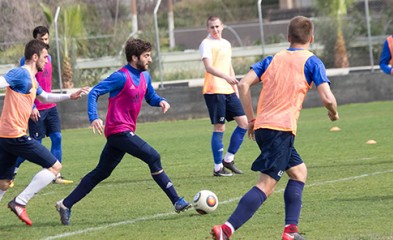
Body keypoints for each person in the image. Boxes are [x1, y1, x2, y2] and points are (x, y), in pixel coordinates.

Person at [210, 16, 339, 240]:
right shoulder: (312, 61)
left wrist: (251, 119)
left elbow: (243, 84)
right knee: (266, 185)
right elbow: (327, 97)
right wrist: (334, 112)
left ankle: (291, 230)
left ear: (288, 37)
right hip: (281, 130)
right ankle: (226, 230)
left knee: (299, 172)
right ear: (312, 38)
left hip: (264, 128)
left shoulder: (273, 59)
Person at [55, 38, 191, 225]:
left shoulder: (145, 76)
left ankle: (65, 204)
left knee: (101, 172)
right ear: (134, 57)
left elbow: (150, 96)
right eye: (146, 56)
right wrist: (94, 117)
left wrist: (160, 100)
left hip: (124, 132)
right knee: (153, 156)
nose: (149, 59)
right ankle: (176, 200)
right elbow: (94, 92)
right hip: (118, 130)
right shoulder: (121, 76)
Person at [0, 39, 89, 226]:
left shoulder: (31, 79)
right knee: (55, 167)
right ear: (35, 57)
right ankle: (19, 202)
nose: (47, 61)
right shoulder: (21, 74)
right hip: (15, 136)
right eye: (45, 57)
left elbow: (45, 96)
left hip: (6, 137)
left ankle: (17, 201)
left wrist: (69, 96)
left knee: (4, 182)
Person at [12, 26, 73, 186]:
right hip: (36, 108)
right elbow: (25, 86)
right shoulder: (26, 62)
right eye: (42, 40)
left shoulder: (49, 58)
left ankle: (56, 175)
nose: (45, 42)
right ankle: (12, 171)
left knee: (57, 138)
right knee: (34, 145)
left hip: (50, 107)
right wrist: (31, 106)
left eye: (47, 39)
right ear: (35, 41)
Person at [199, 16, 248, 177]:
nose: (215, 30)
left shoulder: (226, 44)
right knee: (220, 127)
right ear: (208, 29)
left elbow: (229, 66)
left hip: (228, 90)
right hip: (214, 90)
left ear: (223, 26)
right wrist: (226, 78)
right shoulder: (206, 44)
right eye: (212, 27)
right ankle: (218, 167)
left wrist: (235, 88)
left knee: (244, 123)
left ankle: (229, 159)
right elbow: (209, 67)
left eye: (217, 26)